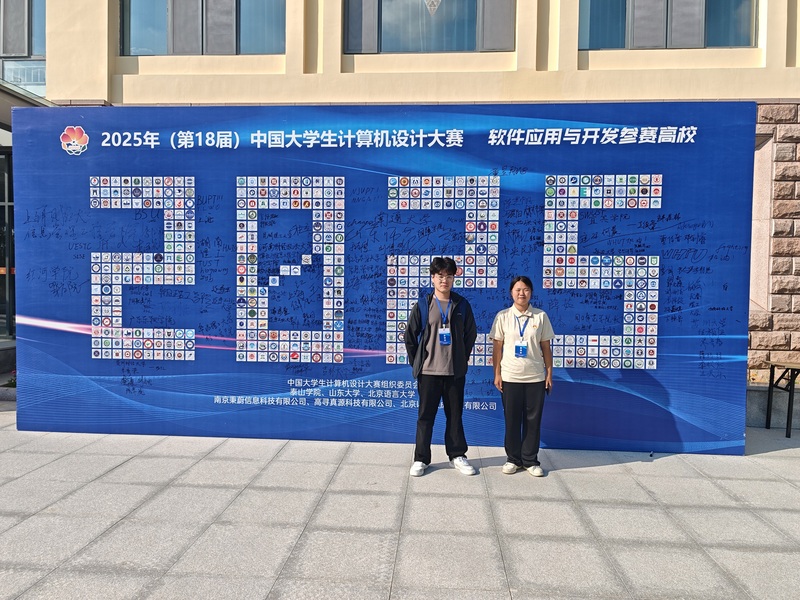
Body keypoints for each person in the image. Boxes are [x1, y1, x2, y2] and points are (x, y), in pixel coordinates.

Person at [405, 257, 478, 477]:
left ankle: (457, 455)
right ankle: (421, 458)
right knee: (425, 417)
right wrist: (418, 363)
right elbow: (410, 337)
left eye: (448, 276)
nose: (444, 280)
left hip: (454, 372)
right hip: (428, 372)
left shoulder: (462, 305)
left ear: (454, 278)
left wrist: (461, 358)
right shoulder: (423, 305)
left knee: (455, 415)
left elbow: (470, 334)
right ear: (432, 278)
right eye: (440, 275)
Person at [489, 275, 554, 477]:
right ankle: (513, 459)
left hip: (535, 377)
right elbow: (497, 348)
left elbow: (546, 348)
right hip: (510, 376)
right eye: (518, 290)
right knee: (512, 420)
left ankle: (530, 460)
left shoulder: (540, 316)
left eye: (525, 289)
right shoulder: (503, 316)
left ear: (531, 292)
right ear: (511, 292)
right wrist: (497, 373)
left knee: (533, 421)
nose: (521, 293)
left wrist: (549, 374)